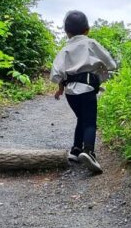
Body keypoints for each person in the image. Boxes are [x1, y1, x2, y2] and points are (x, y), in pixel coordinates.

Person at [50, 11, 117, 175]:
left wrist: (60, 89)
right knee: (89, 122)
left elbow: (56, 74)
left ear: (67, 32)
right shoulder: (91, 43)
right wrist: (101, 70)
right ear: (87, 30)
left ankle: (75, 150)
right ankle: (89, 151)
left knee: (81, 118)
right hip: (87, 89)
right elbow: (111, 63)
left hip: (70, 94)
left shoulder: (64, 50)